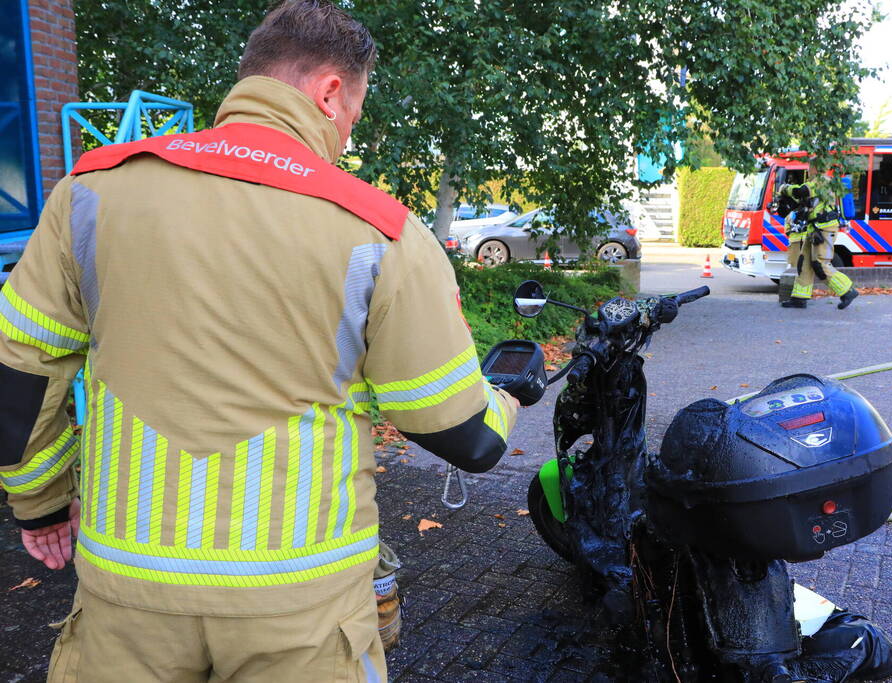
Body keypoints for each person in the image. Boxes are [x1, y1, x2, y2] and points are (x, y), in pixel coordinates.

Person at [0, 2, 518, 680]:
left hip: (128, 591)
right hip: (300, 607)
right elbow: (457, 428)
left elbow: (21, 367)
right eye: (354, 114)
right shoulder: (378, 230)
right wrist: (505, 401)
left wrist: (38, 504)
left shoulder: (91, 192)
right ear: (330, 92)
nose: (347, 134)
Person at [776, 165, 859, 310]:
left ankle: (847, 291)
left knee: (820, 264)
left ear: (815, 168)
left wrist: (784, 188)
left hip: (824, 229)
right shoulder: (817, 182)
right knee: (805, 263)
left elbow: (800, 191)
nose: (808, 170)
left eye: (810, 167)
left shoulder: (821, 181)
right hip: (814, 228)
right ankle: (799, 298)